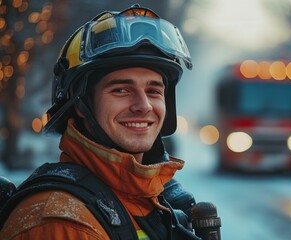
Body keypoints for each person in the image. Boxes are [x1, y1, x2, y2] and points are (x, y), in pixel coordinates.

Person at [0, 4, 200, 240]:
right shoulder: (61, 223)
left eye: (154, 91)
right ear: (81, 105)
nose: (144, 105)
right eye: (121, 89)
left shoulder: (153, 201)